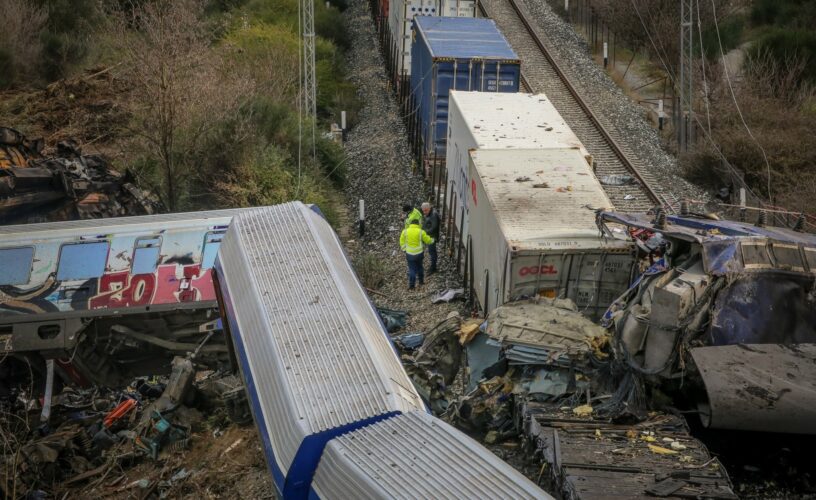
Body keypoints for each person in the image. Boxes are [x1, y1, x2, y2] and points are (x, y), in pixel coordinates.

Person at [399, 219, 434, 289]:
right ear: (418, 224)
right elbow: (428, 240)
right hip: (419, 254)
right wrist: (432, 240)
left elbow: (401, 241)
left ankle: (412, 285)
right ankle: (421, 281)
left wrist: (404, 249)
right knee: (420, 267)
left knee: (412, 269)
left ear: (410, 224)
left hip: (410, 254)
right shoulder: (421, 232)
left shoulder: (405, 231)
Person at [421, 202, 440, 274]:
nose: (424, 212)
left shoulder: (433, 215)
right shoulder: (430, 213)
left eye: (425, 210)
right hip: (430, 236)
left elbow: (434, 227)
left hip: (432, 237)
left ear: (429, 208)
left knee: (432, 252)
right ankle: (433, 266)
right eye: (423, 211)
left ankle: (433, 267)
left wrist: (424, 233)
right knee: (431, 252)